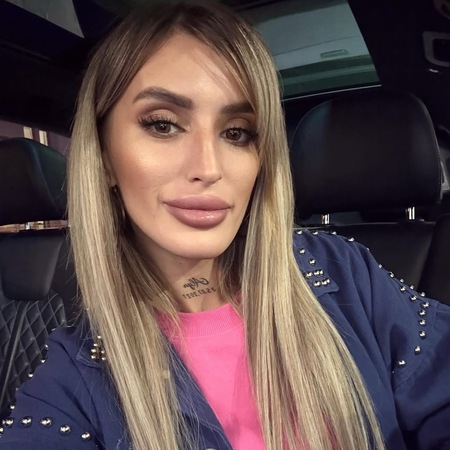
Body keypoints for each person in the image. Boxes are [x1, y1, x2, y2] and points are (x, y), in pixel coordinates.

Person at [1, 2, 450, 450]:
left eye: (237, 133)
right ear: (104, 158)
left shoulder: (343, 272)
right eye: (163, 125)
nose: (209, 167)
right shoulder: (74, 376)